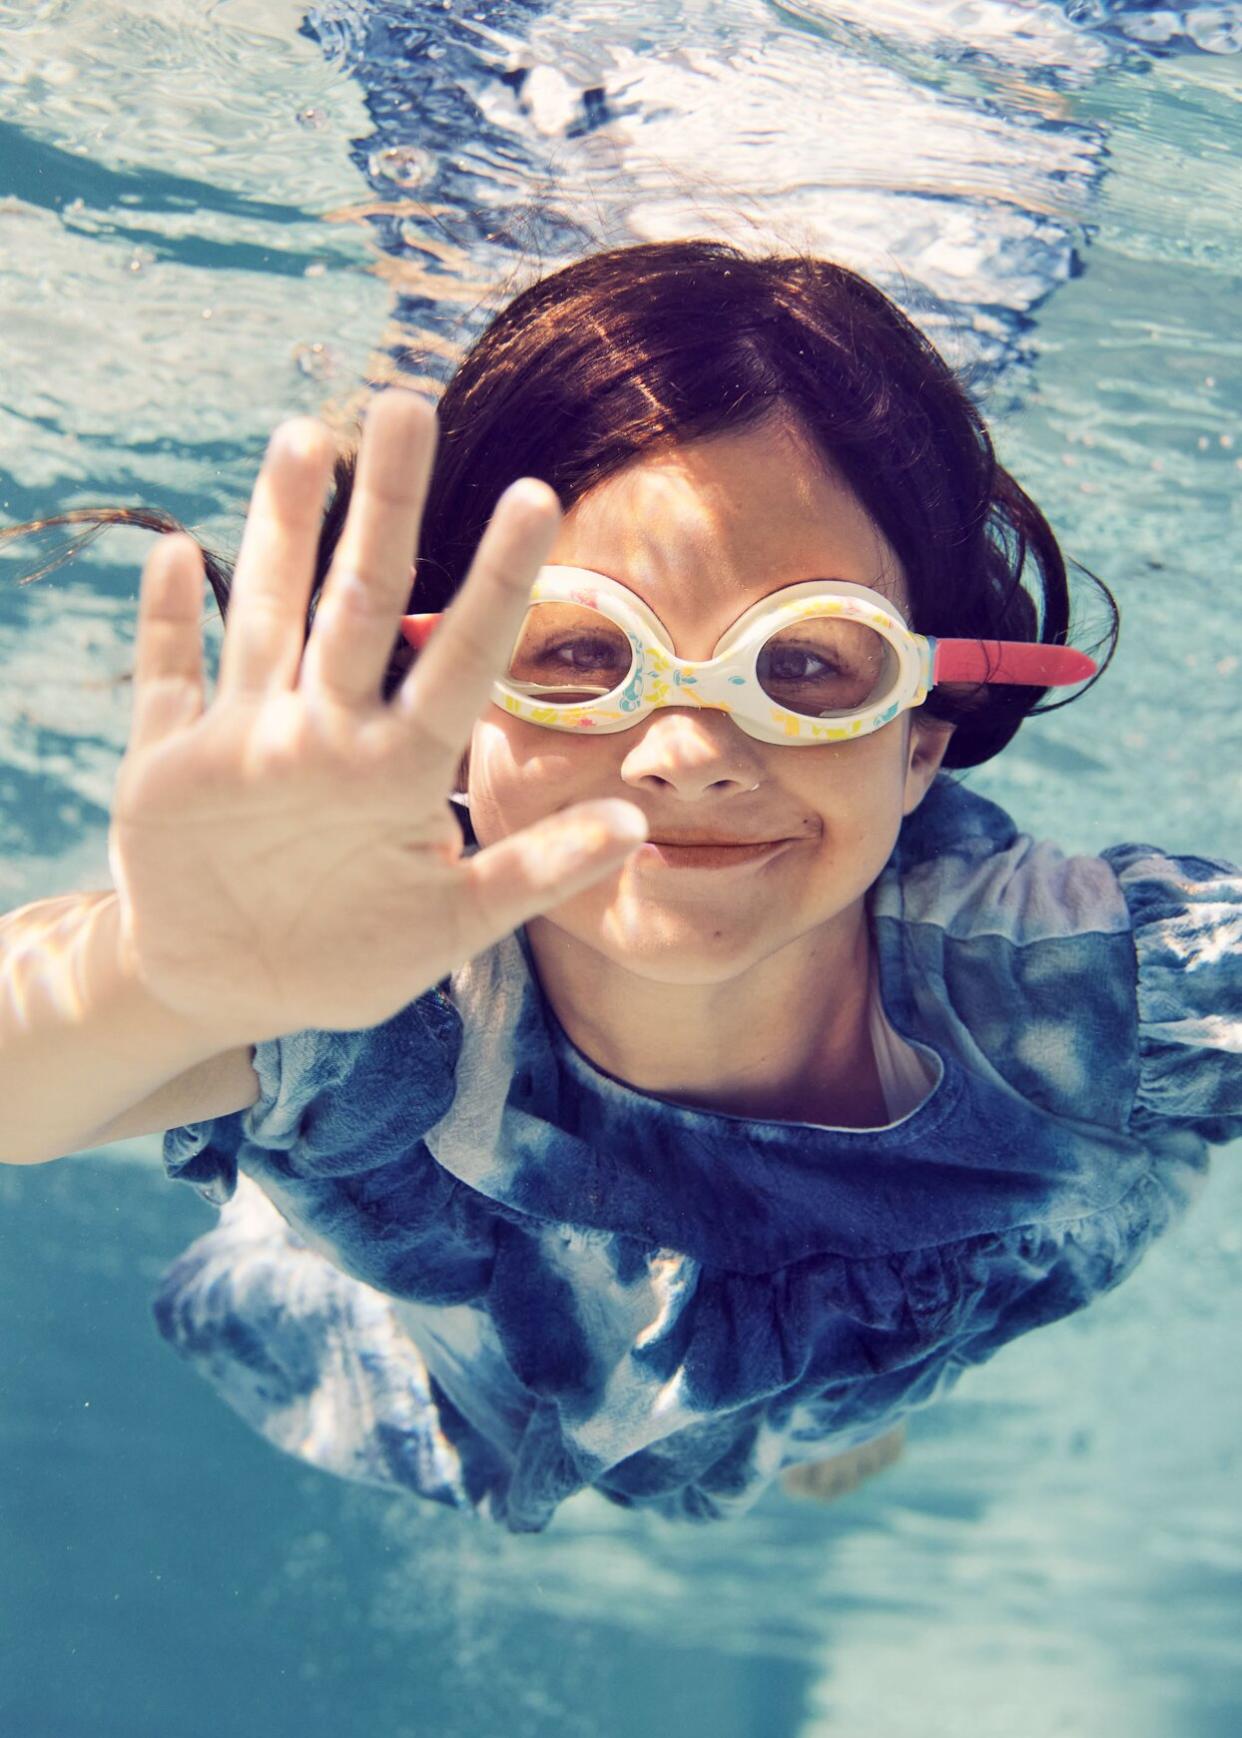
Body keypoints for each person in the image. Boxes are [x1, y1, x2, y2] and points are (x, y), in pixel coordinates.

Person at [1, 241, 1237, 1535]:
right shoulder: (372, 978)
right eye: (582, 654)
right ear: (461, 700)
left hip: (862, 1363)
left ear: (920, 738)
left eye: (809, 665)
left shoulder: (1061, 995)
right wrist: (158, 977)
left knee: (818, 1421)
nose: (692, 754)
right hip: (421, 1375)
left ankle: (803, 1417)